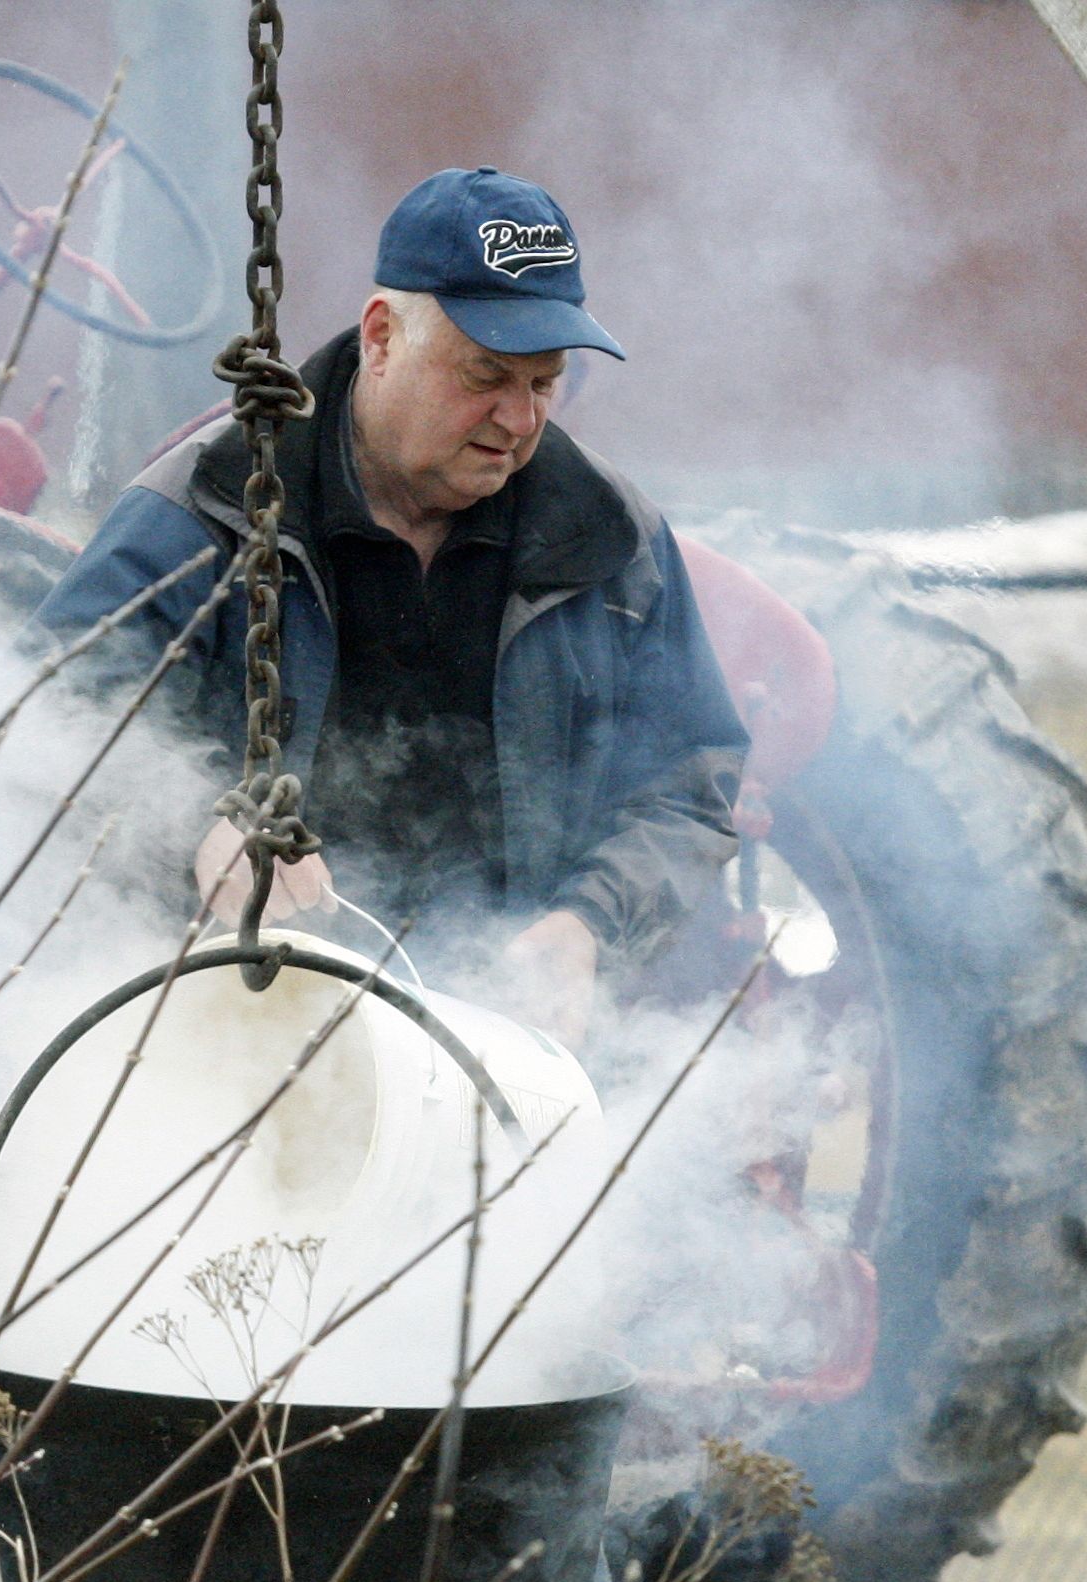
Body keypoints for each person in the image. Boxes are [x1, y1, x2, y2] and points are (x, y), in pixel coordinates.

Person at [39, 166, 748, 1049]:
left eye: (543, 381)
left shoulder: (612, 540)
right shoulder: (203, 508)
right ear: (381, 336)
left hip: (497, 1042)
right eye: (484, 374)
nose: (518, 419)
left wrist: (587, 926)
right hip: (220, 1030)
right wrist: (195, 827)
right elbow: (47, 722)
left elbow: (687, 784)